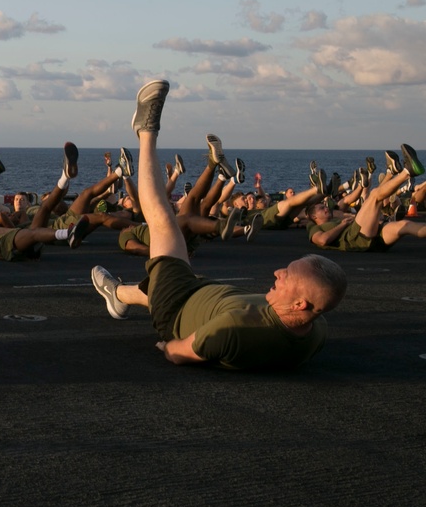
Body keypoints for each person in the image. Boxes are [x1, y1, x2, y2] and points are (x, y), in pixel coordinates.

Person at [90, 80, 347, 370]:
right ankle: (117, 295)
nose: (277, 273)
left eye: (286, 275)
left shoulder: (235, 328)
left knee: (164, 221)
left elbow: (177, 352)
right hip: (202, 291)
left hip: (176, 306)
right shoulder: (317, 326)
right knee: (159, 276)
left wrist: (167, 345)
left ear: (300, 305)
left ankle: (145, 131)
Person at [306, 145, 426, 251]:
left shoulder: (335, 218)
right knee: (374, 196)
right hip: (356, 237)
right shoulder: (314, 227)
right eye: (322, 208)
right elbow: (322, 240)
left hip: (371, 237)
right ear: (314, 216)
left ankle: (393, 172)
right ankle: (407, 172)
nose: (326, 207)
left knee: (405, 225)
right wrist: (342, 225)